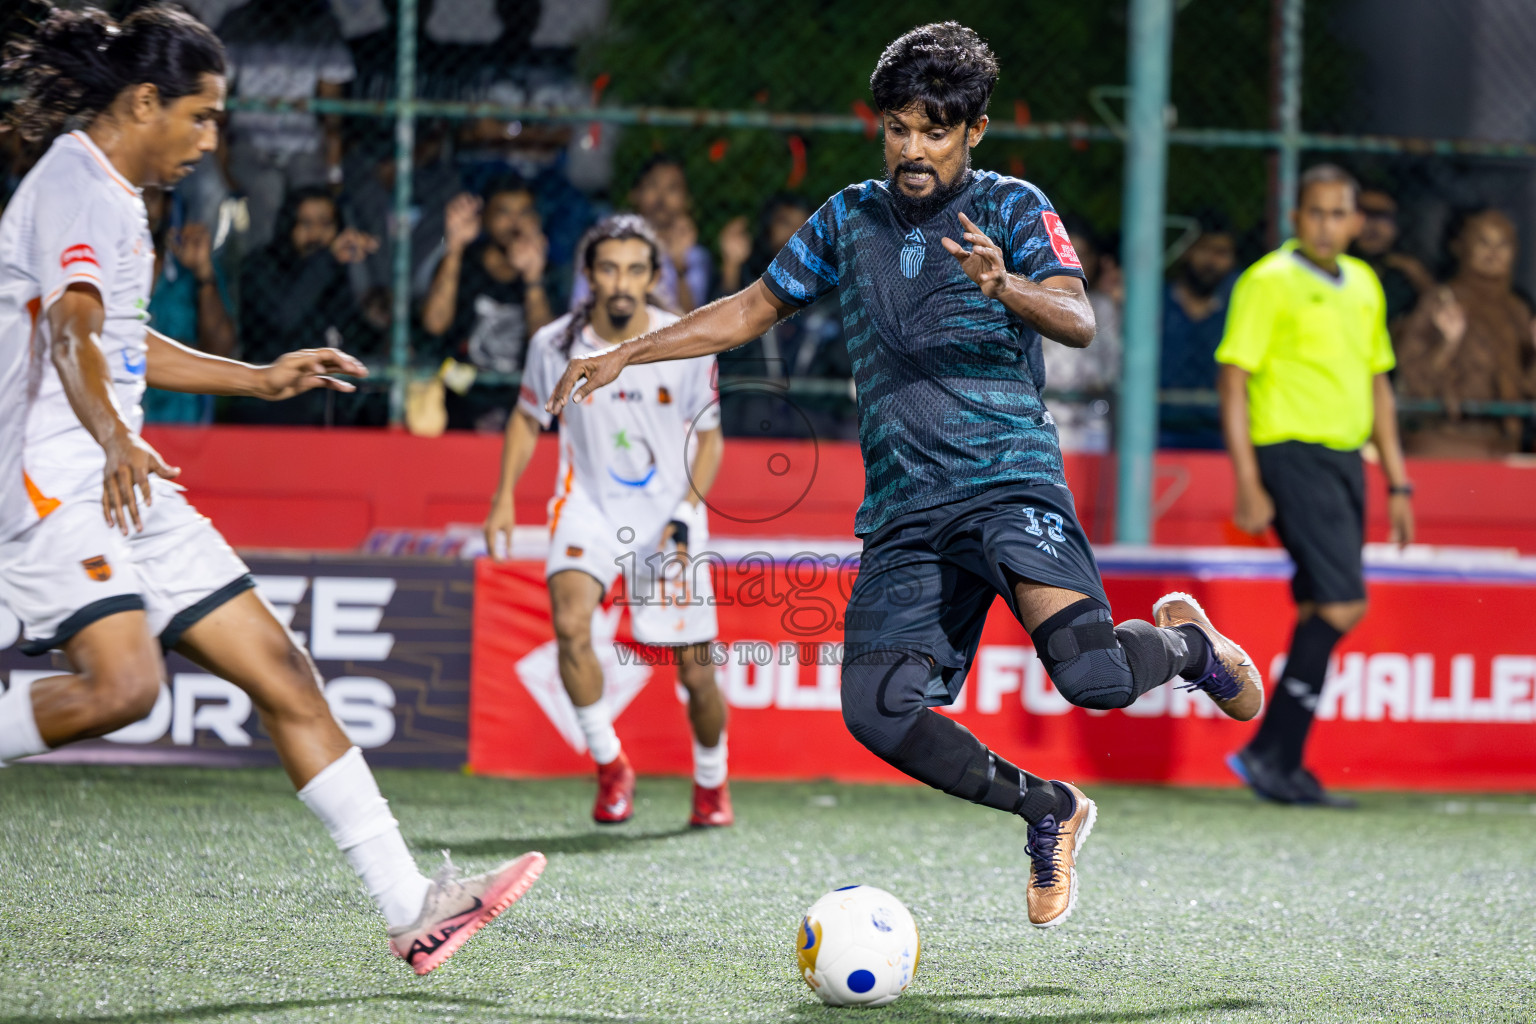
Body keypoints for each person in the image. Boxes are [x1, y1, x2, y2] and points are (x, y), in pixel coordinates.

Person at [543, 22, 1262, 929]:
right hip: (907, 511)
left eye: (933, 130)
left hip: (1009, 485)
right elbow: (753, 309)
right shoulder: (849, 217)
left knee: (1093, 678)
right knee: (878, 714)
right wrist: (628, 354)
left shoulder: (1010, 207)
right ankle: (1050, 809)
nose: (912, 149)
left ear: (974, 131)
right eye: (898, 128)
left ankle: (1190, 648)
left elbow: (1077, 319)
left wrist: (1005, 287)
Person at [0, 4, 543, 975]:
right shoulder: (78, 186)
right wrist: (119, 437)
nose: (212, 140)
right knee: (125, 685)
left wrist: (255, 376)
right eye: (201, 117)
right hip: (56, 477)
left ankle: (411, 906)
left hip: (122, 471)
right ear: (144, 99)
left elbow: (118, 341)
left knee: (284, 672)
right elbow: (72, 335)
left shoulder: (120, 194)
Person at [483, 215, 731, 827]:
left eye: (635, 269)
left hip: (668, 518)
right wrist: (504, 496)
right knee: (569, 625)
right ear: (589, 275)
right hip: (586, 506)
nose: (621, 282)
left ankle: (711, 780)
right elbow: (524, 417)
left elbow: (711, 442)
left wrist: (684, 512)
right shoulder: (554, 344)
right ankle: (610, 763)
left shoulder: (683, 340)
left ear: (653, 277)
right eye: (609, 268)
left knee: (697, 677)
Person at [1217, 164, 1415, 807]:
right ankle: (1269, 753)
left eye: (1340, 213)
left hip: (1346, 460)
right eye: (1316, 212)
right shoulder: (1268, 281)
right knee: (1342, 606)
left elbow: (1378, 382)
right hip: (1289, 452)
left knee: (1317, 611)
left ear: (1356, 222)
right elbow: (1234, 379)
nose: (1328, 225)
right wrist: (1247, 477)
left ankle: (1278, 760)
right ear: (1297, 218)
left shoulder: (1364, 284)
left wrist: (1399, 482)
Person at [232, 186, 385, 425]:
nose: (316, 234)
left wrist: (365, 271)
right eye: (306, 223)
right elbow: (285, 316)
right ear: (288, 226)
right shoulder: (259, 265)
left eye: (325, 224)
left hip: (329, 403)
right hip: (270, 402)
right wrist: (328, 260)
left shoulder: (334, 268)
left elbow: (361, 334)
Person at [1394, 207, 1531, 458]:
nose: (1493, 253)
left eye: (1503, 244)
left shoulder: (1517, 311)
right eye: (1483, 242)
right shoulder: (1441, 301)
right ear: (1463, 247)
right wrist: (1447, 345)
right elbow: (1411, 381)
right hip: (1444, 440)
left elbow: (1526, 388)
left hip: (1501, 445)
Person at [420, 178, 553, 432]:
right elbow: (434, 324)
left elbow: (547, 347)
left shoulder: (548, 272)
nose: (514, 224)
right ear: (485, 219)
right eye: (503, 213)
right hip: (459, 388)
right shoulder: (465, 263)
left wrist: (534, 279)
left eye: (523, 213)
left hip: (520, 395)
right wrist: (455, 248)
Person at [140, 186, 236, 424]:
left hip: (181, 423)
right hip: (121, 414)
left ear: (169, 206)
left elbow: (221, 349)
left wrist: (203, 274)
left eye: (151, 196)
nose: (140, 205)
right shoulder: (105, 265)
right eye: (134, 194)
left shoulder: (192, 268)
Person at [571, 154, 709, 314]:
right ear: (634, 194)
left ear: (687, 200)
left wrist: (680, 267)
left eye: (673, 188)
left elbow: (693, 325)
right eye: (652, 185)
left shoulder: (696, 256)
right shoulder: (605, 243)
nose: (661, 197)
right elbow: (580, 309)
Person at [1042, 218, 1121, 453]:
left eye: (1082, 255)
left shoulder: (1103, 307)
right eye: (1065, 252)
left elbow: (1111, 370)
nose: (1072, 263)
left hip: (1093, 420)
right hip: (1045, 417)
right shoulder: (1031, 301)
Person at [1159, 216, 1237, 449]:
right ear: (1186, 251)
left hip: (1218, 432)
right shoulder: (1155, 304)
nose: (1212, 261)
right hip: (1157, 428)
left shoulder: (1236, 311)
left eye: (1222, 252)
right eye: (1204, 250)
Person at [1351, 187, 1433, 328]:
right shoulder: (1333, 265)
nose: (1371, 225)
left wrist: (1418, 276)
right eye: (1362, 214)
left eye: (1381, 216)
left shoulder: (1409, 273)